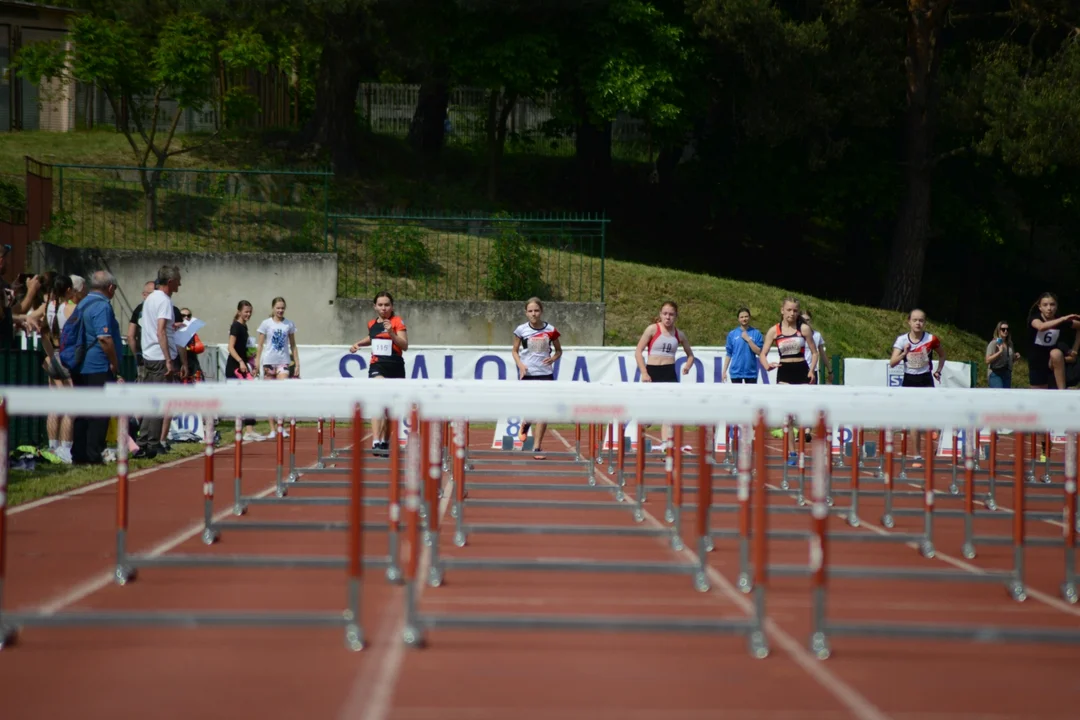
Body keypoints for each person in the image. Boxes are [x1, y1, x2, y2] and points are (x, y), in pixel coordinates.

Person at [60, 271, 124, 464]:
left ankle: (79, 453)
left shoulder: (84, 303)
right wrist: (114, 362)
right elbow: (104, 337)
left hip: (80, 366)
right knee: (98, 413)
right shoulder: (102, 306)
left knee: (83, 411)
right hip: (97, 366)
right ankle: (93, 454)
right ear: (110, 287)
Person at [135, 265, 187, 458]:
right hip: (159, 356)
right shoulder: (164, 300)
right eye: (178, 280)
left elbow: (158, 326)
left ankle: (145, 441)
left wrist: (172, 326)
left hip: (149, 354)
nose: (180, 284)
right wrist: (168, 359)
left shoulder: (150, 299)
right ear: (171, 282)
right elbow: (160, 331)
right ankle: (152, 443)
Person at [349, 291, 408, 456]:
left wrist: (392, 333)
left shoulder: (397, 322)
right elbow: (372, 337)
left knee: (389, 408)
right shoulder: (372, 324)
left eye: (387, 305)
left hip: (395, 366)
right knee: (378, 401)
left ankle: (385, 442)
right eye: (380, 305)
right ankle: (376, 441)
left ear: (392, 306)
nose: (383, 308)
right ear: (375, 307)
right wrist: (358, 344)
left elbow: (404, 345)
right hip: (377, 366)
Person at [634, 300, 696, 449]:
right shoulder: (652, 330)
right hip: (652, 373)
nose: (668, 317)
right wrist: (644, 372)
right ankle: (638, 440)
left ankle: (665, 446)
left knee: (669, 413)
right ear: (660, 315)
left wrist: (687, 366)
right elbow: (638, 351)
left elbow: (690, 355)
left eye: (671, 314)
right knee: (647, 416)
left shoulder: (679, 334)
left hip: (669, 374)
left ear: (676, 316)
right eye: (665, 314)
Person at [511, 297, 563, 460]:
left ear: (541, 312)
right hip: (528, 374)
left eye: (536, 311)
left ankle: (537, 448)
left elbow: (559, 351)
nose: (534, 314)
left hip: (545, 374)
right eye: (530, 311)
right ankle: (526, 421)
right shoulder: (521, 330)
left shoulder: (551, 330)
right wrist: (520, 365)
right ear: (526, 313)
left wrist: (553, 359)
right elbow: (514, 351)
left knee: (544, 412)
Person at [255, 297, 299, 440]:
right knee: (270, 396)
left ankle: (281, 426)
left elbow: (293, 345)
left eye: (282, 308)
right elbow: (260, 345)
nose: (280, 310)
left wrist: (297, 363)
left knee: (282, 394)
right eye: (278, 308)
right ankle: (272, 429)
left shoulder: (289, 324)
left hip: (283, 362)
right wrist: (257, 362)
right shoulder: (266, 324)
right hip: (269, 362)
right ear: (273, 308)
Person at [225, 300, 264, 441]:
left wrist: (251, 364)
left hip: (242, 366)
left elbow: (244, 349)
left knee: (249, 395)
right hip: (234, 367)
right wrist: (241, 362)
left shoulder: (244, 327)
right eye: (246, 311)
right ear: (239, 311)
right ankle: (243, 430)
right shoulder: (235, 326)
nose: (248, 314)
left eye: (250, 312)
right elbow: (230, 347)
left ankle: (248, 429)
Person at [1026, 293, 1080, 390]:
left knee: (1056, 353)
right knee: (1039, 397)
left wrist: (1075, 349)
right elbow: (1041, 327)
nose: (1049, 308)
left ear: (1056, 306)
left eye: (1052, 304)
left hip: (1053, 363)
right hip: (1037, 363)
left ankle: (1062, 391)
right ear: (1040, 307)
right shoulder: (1035, 319)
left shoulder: (1060, 321)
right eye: (1045, 305)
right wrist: (1063, 319)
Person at [758, 297, 817, 385]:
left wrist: (811, 370)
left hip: (802, 369)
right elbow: (762, 354)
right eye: (789, 310)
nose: (792, 313)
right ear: (782, 310)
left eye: (795, 310)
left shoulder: (804, 328)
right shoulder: (774, 330)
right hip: (784, 371)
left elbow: (815, 353)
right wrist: (767, 366)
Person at [722, 307, 763, 383]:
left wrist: (748, 340)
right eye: (742, 317)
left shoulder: (756, 333)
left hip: (751, 373)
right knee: (736, 395)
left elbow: (759, 352)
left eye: (746, 316)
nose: (744, 319)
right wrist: (724, 371)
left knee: (751, 395)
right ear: (738, 319)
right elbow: (729, 354)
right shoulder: (732, 334)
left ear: (749, 317)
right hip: (736, 373)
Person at [126, 280, 157, 380]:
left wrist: (137, 355)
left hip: (143, 356)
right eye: (152, 294)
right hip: (157, 358)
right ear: (144, 295)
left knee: (143, 388)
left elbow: (130, 336)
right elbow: (130, 336)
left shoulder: (139, 309)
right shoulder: (162, 308)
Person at [985, 321, 1020, 389]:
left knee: (1006, 396)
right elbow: (987, 360)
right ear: (998, 330)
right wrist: (999, 352)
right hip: (996, 373)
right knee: (999, 394)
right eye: (1003, 329)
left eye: (1007, 329)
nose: (1005, 331)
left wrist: (1015, 357)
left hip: (1007, 373)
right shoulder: (994, 343)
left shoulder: (1010, 344)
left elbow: (1009, 360)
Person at [801, 309, 830, 384]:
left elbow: (822, 354)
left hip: (813, 370)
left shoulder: (817, 335)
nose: (805, 322)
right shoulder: (797, 335)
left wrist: (830, 370)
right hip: (799, 369)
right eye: (803, 320)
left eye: (807, 320)